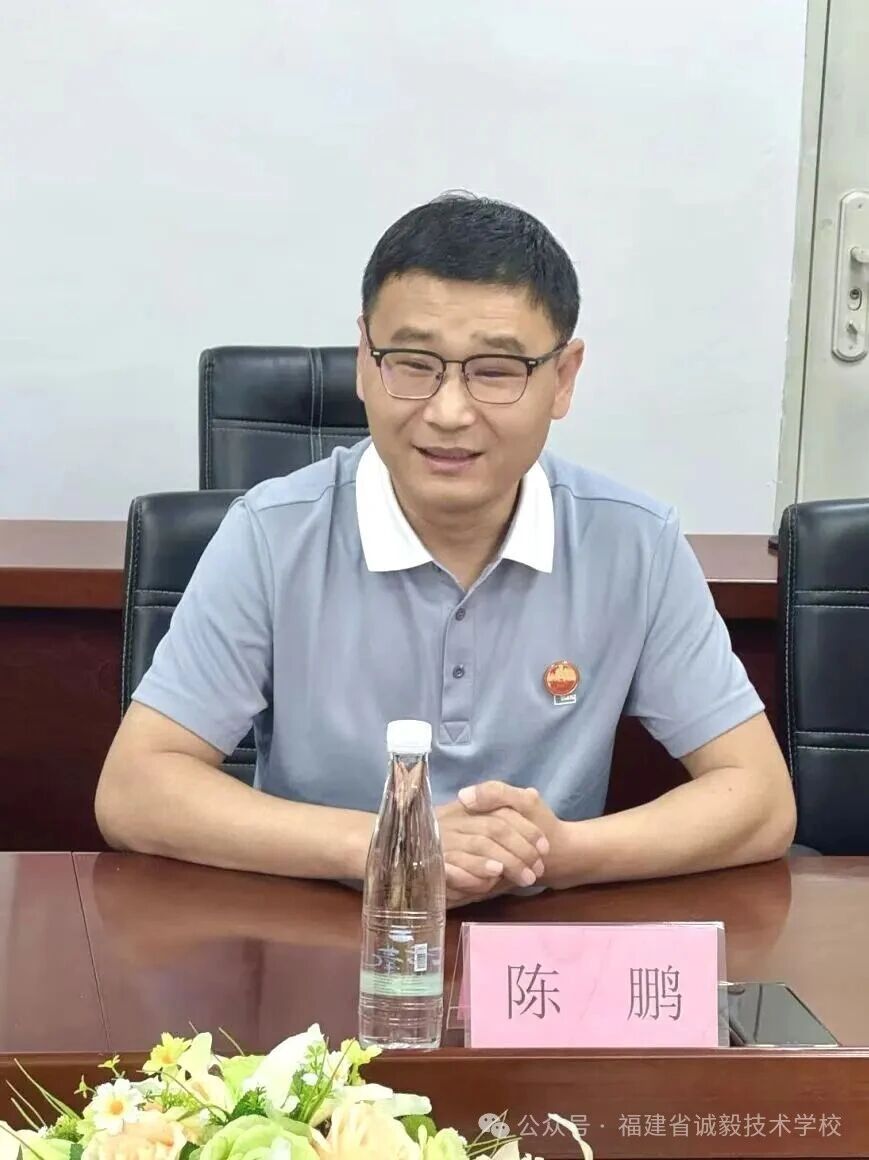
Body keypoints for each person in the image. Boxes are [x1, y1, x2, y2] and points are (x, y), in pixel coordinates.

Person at [96, 194, 796, 908]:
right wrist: (389, 843)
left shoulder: (634, 543)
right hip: (323, 932)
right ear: (365, 360)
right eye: (413, 363)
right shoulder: (271, 536)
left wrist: (559, 853)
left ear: (562, 378)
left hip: (536, 948)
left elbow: (759, 799)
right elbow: (135, 789)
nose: (449, 411)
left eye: (495, 371)